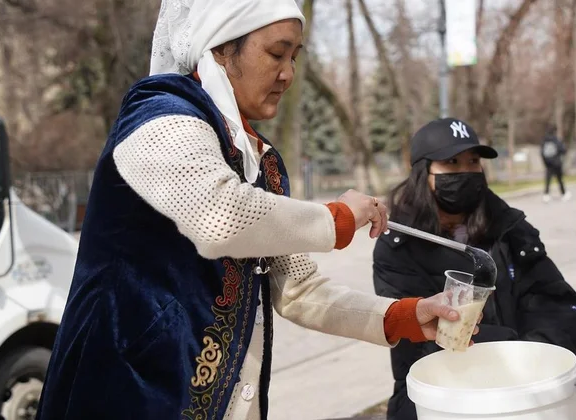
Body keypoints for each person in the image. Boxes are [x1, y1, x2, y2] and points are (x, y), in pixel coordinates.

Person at [34, 2, 463, 419]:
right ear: (220, 46)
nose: (288, 74)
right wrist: (338, 219)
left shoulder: (259, 161)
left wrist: (404, 316)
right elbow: (220, 217)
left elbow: (299, 291)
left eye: (294, 56)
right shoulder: (157, 115)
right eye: (276, 53)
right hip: (131, 394)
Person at [373, 118, 576, 420]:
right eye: (451, 163)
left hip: (523, 396)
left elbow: (554, 301)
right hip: (441, 403)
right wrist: (510, 348)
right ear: (423, 173)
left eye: (474, 161)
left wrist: (535, 357)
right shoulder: (399, 247)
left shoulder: (510, 229)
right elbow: (419, 338)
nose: (466, 172)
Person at [540, 125, 571, 202]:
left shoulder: (544, 141)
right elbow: (563, 150)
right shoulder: (556, 140)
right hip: (557, 163)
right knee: (560, 179)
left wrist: (546, 163)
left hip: (548, 164)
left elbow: (541, 153)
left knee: (548, 180)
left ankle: (546, 195)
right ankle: (563, 194)